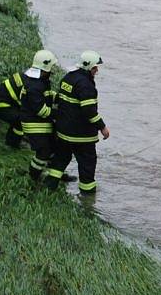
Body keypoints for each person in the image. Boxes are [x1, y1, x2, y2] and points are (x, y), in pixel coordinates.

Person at [44, 50, 110, 194]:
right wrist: (103, 128)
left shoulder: (68, 78)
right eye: (95, 68)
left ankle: (49, 187)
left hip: (63, 132)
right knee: (87, 164)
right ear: (88, 67)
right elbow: (89, 111)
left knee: (60, 160)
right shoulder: (86, 85)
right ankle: (87, 198)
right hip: (82, 136)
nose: (96, 70)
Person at [19, 49, 57, 181]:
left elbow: (46, 96)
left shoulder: (39, 81)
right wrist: (60, 113)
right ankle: (34, 176)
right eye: (51, 67)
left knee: (51, 148)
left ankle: (51, 174)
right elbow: (42, 111)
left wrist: (59, 98)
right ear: (45, 67)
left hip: (39, 123)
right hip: (34, 124)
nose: (52, 70)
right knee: (43, 152)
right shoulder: (35, 86)